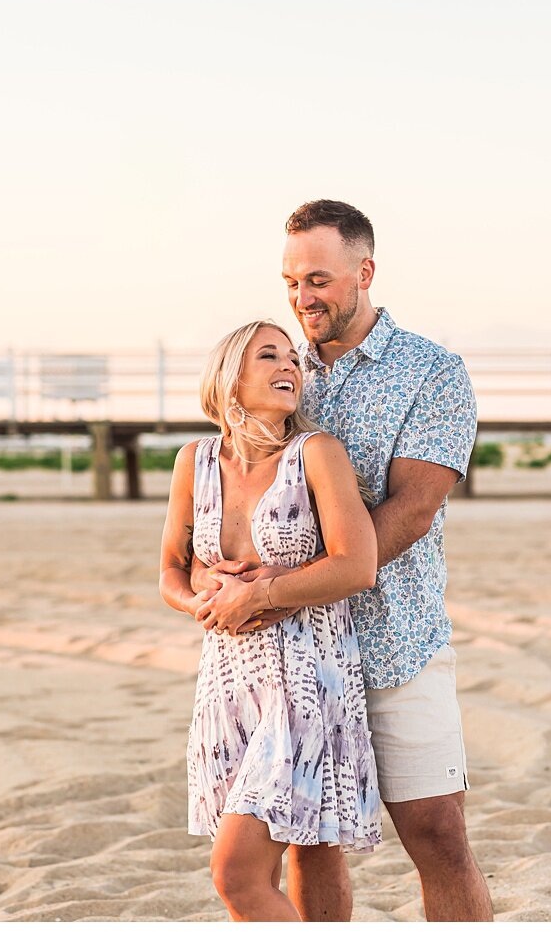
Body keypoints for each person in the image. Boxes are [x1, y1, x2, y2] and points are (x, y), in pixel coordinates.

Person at [190, 200, 490, 922]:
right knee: (307, 846)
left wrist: (287, 590)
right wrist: (222, 584)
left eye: (318, 279)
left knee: (437, 832)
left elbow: (415, 508)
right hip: (295, 663)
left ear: (365, 271)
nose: (302, 298)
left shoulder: (431, 371)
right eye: (291, 281)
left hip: (396, 643)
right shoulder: (283, 368)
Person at [161, 319, 380, 920]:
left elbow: (357, 566)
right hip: (226, 685)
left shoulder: (317, 453)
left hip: (306, 681)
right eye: (269, 356)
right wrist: (204, 597)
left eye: (292, 359)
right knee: (256, 879)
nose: (289, 367)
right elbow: (170, 575)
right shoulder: (195, 462)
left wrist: (258, 596)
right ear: (230, 378)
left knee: (235, 875)